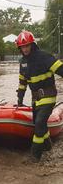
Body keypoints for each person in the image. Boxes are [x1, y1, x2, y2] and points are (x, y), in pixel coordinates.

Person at [16, 30, 63, 162]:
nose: (25, 49)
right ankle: (48, 147)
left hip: (48, 96)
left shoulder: (44, 57)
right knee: (39, 125)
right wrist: (19, 99)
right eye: (22, 46)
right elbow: (22, 82)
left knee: (40, 122)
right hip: (35, 99)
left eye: (27, 45)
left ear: (32, 44)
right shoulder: (23, 62)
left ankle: (35, 156)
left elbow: (60, 69)